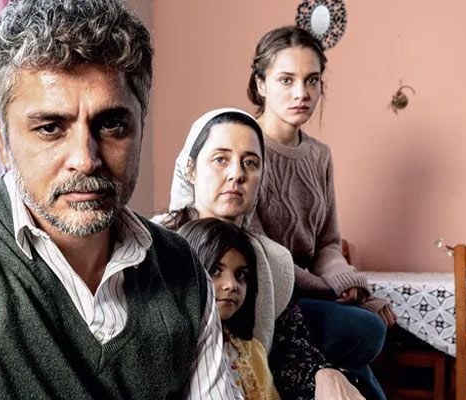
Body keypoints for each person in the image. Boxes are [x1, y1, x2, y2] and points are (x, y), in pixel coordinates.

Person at [0, 1, 240, 398]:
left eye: (112, 124)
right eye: (50, 128)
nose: (85, 160)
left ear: (140, 128)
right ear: (1, 141)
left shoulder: (182, 267)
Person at [161, 108, 363, 400]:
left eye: (250, 163)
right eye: (221, 159)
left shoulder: (273, 260)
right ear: (190, 169)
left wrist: (324, 374)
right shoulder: (154, 246)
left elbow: (288, 348)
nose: (237, 174)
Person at [247, 26, 395, 399]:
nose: (302, 93)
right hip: (271, 297)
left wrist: (348, 280)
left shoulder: (319, 155)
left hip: (312, 294)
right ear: (261, 84)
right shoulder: (244, 146)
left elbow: (327, 242)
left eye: (312, 80)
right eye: (286, 80)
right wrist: (335, 290)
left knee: (367, 334)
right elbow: (260, 250)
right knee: (367, 329)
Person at [177, 218, 280, 400]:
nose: (231, 285)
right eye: (215, 270)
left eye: (240, 275)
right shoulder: (170, 348)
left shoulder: (253, 351)